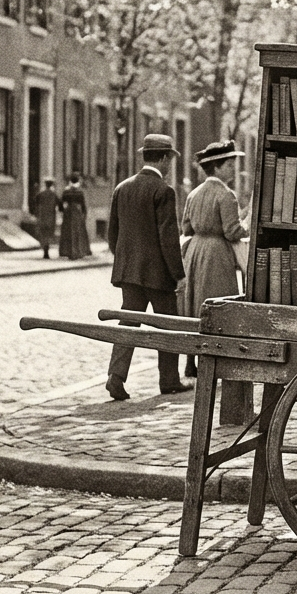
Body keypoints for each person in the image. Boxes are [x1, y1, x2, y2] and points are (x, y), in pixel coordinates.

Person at [106, 134, 191, 400]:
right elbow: (168, 239)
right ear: (164, 158)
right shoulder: (163, 191)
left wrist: (125, 260)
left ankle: (115, 377)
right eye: (170, 159)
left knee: (128, 323)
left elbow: (113, 234)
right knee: (168, 325)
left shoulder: (122, 187)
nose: (170, 165)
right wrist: (178, 274)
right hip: (158, 275)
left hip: (129, 272)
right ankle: (169, 380)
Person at [179, 140, 249, 379]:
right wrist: (246, 227)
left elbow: (186, 228)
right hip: (217, 253)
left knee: (194, 303)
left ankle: (190, 361)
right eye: (229, 165)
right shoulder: (226, 195)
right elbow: (231, 231)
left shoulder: (194, 194)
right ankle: (216, 361)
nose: (233, 170)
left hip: (195, 252)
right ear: (217, 168)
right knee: (218, 304)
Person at [58, 174, 91, 260]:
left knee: (68, 232)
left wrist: (63, 211)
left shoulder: (66, 191)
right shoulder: (79, 192)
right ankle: (78, 251)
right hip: (77, 212)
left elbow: (61, 204)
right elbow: (83, 205)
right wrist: (84, 213)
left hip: (68, 213)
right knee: (78, 232)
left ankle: (68, 251)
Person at [32, 178, 62, 259]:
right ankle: (46, 250)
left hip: (42, 217)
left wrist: (36, 213)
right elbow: (60, 206)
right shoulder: (54, 194)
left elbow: (35, 203)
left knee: (43, 234)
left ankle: (45, 250)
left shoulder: (40, 194)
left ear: (45, 184)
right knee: (48, 234)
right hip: (51, 217)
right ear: (51, 185)